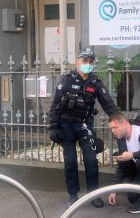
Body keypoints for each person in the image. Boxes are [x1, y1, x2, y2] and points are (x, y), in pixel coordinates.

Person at [48, 48, 118, 208]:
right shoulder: (66, 79)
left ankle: (93, 195)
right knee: (70, 161)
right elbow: (54, 105)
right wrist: (53, 127)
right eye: (84, 61)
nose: (87, 64)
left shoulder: (95, 82)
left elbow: (108, 104)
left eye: (90, 62)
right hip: (65, 125)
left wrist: (118, 121)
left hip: (84, 125)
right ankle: (73, 196)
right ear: (77, 61)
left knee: (91, 160)